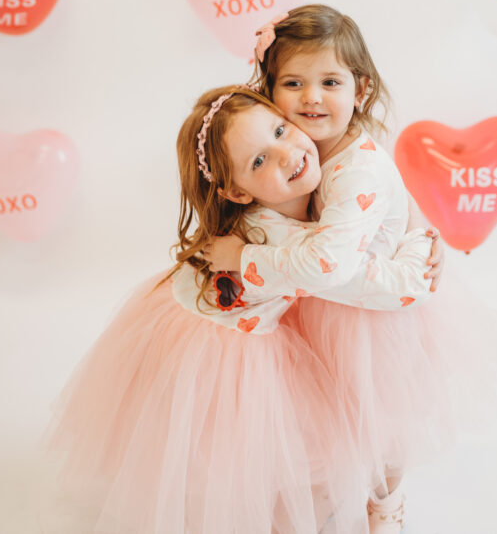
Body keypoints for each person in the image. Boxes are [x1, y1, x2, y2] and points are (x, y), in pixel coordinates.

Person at [47, 84, 443, 534]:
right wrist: (421, 246)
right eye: (258, 161)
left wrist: (421, 226)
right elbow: (385, 285)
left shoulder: (332, 181)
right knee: (299, 478)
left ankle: (377, 505)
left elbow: (386, 196)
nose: (285, 154)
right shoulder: (273, 236)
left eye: (279, 129)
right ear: (237, 192)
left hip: (258, 321)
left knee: (374, 415)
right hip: (222, 353)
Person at [205, 4, 497, 532]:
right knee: (326, 420)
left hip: (373, 320)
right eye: (293, 82)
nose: (311, 98)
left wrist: (248, 258)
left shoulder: (359, 168)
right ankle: (328, 495)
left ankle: (386, 504)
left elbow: (329, 263)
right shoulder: (294, 148)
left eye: (330, 81)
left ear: (361, 89)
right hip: (323, 310)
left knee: (383, 426)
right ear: (269, 90)